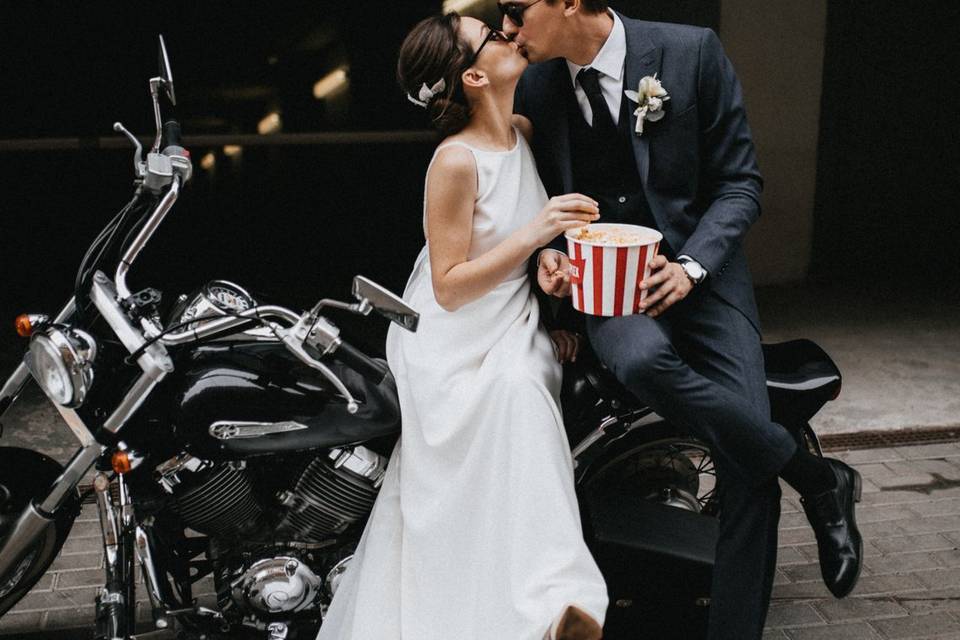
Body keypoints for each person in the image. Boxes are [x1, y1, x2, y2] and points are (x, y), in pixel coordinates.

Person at [505, 1, 863, 638]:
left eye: (513, 8)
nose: (506, 26)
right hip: (608, 292)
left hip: (706, 283)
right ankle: (815, 474)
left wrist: (693, 265)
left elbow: (741, 183)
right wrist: (549, 260)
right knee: (642, 359)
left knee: (744, 462)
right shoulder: (535, 82)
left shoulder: (690, 52)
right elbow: (527, 201)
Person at [316, 12, 609, 640]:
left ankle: (553, 602)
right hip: (451, 337)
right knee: (518, 394)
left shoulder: (523, 131)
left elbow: (525, 254)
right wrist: (538, 233)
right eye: (495, 37)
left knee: (522, 389)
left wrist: (547, 267)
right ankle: (547, 606)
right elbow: (449, 285)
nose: (510, 32)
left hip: (510, 317)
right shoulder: (455, 161)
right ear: (475, 74)